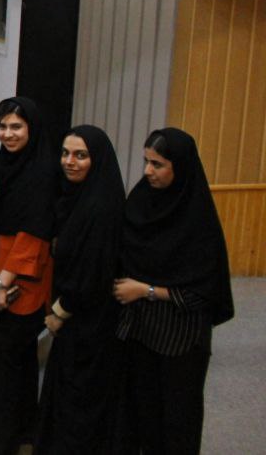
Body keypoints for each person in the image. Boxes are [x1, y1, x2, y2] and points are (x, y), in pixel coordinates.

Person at [112, 128, 233, 454]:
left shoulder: (197, 220)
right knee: (142, 418)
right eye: (146, 162)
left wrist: (146, 290)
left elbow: (204, 292)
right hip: (139, 331)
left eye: (158, 164)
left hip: (180, 338)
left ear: (180, 167)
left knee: (177, 422)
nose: (148, 171)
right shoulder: (140, 201)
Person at [35, 124, 126, 454]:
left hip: (91, 320)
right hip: (75, 317)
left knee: (81, 399)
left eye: (80, 155)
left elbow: (95, 271)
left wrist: (61, 311)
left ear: (97, 159)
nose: (69, 162)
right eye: (65, 153)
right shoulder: (75, 197)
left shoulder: (101, 207)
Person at [0, 98, 57, 455]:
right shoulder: (4, 163)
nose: (8, 134)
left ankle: (0, 442)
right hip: (1, 264)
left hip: (21, 275)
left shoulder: (42, 170)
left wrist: (2, 283)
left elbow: (35, 232)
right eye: (3, 126)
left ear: (32, 129)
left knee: (4, 360)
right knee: (21, 359)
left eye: (16, 127)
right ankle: (23, 431)